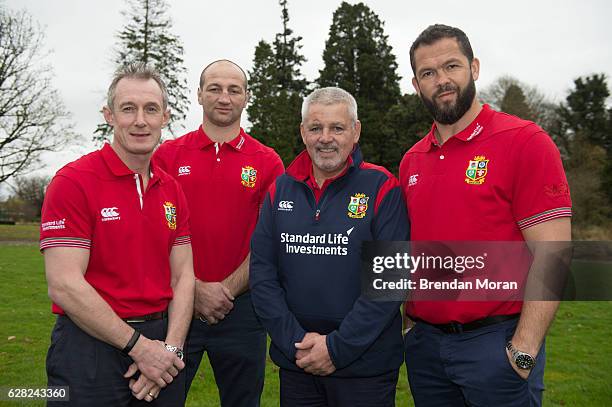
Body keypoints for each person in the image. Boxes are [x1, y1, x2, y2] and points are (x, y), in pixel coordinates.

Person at [399, 24, 572, 406]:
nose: (441, 80)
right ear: (416, 84)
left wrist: (523, 349)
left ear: (474, 68)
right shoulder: (412, 159)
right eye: (428, 73)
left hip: (496, 345)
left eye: (452, 66)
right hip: (427, 350)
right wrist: (410, 327)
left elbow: (554, 252)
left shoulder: (525, 142)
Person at [40, 63, 195, 406]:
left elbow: (184, 276)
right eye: (128, 109)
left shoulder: (172, 189)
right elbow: (64, 283)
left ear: (165, 117)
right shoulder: (73, 182)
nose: (140, 120)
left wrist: (168, 351)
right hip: (89, 347)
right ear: (109, 115)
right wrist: (139, 349)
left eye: (151, 109)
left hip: (161, 342)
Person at [250, 87, 409, 407]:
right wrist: (295, 342)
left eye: (337, 127)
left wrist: (338, 348)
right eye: (315, 128)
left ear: (355, 131)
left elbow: (389, 282)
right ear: (303, 132)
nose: (326, 138)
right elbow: (263, 273)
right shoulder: (279, 190)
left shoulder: (382, 187)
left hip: (365, 369)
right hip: (298, 362)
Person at [153, 59, 284, 406]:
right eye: (214, 88)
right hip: (175, 306)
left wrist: (223, 291)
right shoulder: (166, 156)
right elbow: (152, 234)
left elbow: (269, 241)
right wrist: (193, 289)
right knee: (162, 399)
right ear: (199, 95)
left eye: (233, 89)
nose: (224, 97)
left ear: (246, 97)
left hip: (241, 309)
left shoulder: (268, 161)